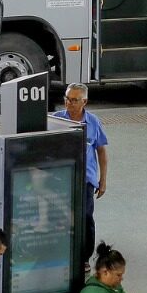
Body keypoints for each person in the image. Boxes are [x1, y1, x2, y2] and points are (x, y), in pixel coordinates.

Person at [53, 83, 108, 263]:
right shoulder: (56, 120)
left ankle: (84, 256)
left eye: (74, 100)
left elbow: (101, 151)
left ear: (84, 101)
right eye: (67, 99)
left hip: (86, 179)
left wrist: (103, 180)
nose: (69, 103)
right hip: (62, 178)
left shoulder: (93, 122)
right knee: (62, 216)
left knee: (85, 217)